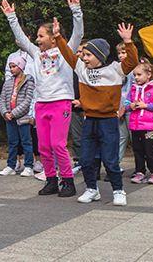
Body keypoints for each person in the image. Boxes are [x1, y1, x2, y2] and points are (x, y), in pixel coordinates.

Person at [0, 0, 83, 198]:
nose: (37, 40)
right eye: (36, 37)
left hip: (60, 103)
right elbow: (20, 39)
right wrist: (12, 17)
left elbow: (78, 34)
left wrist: (76, 10)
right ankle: (51, 181)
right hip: (41, 104)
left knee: (58, 144)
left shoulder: (65, 51)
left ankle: (68, 181)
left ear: (53, 38)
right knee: (44, 146)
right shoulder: (36, 54)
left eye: (40, 36)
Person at [54, 19, 138, 206]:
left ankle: (118, 190)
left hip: (108, 121)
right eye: (83, 54)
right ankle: (92, 189)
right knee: (86, 159)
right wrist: (58, 37)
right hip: (89, 120)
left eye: (88, 55)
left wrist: (128, 41)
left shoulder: (116, 69)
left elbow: (132, 61)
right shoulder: (82, 69)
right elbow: (68, 54)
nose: (84, 58)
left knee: (110, 159)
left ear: (100, 56)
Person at [126, 59, 153, 185]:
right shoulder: (133, 89)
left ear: (148, 75)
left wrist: (146, 105)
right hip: (135, 126)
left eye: (139, 75)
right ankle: (140, 172)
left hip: (150, 127)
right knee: (138, 151)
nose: (136, 78)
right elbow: (126, 104)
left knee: (150, 151)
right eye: (134, 75)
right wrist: (130, 105)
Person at [0, 55, 36, 177]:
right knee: (12, 142)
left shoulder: (28, 81)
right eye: (10, 67)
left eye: (14, 66)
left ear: (21, 66)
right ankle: (11, 165)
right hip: (9, 118)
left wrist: (14, 113)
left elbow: (27, 100)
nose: (11, 69)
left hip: (23, 118)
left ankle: (29, 166)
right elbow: (2, 99)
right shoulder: (8, 82)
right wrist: (5, 112)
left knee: (26, 142)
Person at [69, 40, 88, 174]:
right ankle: (78, 161)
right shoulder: (72, 68)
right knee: (76, 137)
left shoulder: (91, 68)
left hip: (88, 108)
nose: (79, 54)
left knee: (90, 137)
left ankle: (90, 162)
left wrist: (83, 101)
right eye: (77, 51)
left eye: (82, 51)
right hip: (73, 107)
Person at [116, 42, 135, 172]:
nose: (121, 55)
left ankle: (140, 166)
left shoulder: (134, 70)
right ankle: (115, 165)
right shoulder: (117, 69)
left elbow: (133, 90)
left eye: (124, 52)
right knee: (121, 137)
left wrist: (125, 107)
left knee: (134, 138)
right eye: (119, 53)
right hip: (118, 109)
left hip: (130, 109)